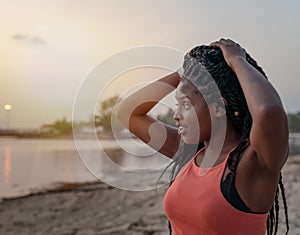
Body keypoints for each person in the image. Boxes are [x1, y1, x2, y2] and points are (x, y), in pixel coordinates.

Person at [115, 38, 289, 235]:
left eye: (186, 105)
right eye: (177, 104)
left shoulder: (252, 164)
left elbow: (269, 111)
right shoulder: (190, 153)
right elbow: (127, 112)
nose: (176, 115)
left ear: (217, 108)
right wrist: (186, 72)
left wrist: (237, 60)